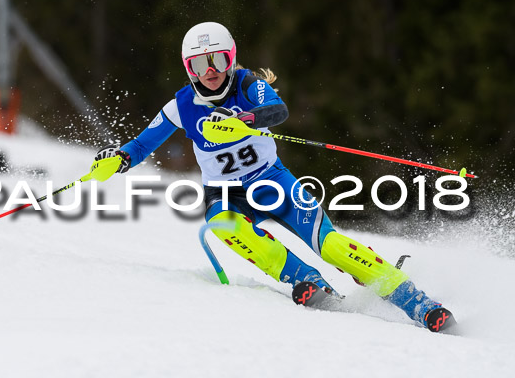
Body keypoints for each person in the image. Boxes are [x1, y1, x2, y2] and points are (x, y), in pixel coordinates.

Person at [90, 22, 455, 333]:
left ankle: (414, 300)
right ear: (189, 68)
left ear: (231, 58)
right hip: (225, 194)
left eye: (219, 59)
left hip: (273, 182)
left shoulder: (248, 84)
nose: (211, 69)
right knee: (222, 224)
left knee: (331, 246)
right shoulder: (180, 106)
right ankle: (304, 279)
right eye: (200, 63)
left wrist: (243, 122)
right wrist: (117, 159)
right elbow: (140, 146)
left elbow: (276, 110)